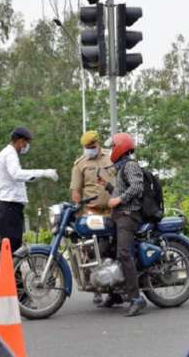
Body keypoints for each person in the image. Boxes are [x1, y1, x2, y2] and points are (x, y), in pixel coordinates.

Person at [0, 127, 58, 308]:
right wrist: (44, 172)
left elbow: (20, 177)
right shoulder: (10, 154)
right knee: (13, 256)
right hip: (9, 209)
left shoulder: (6, 154)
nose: (26, 147)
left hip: (8, 209)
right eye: (25, 143)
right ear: (20, 141)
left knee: (9, 255)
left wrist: (39, 175)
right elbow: (17, 174)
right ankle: (19, 297)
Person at [97, 133, 147, 317]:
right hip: (118, 215)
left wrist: (118, 199)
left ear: (121, 147)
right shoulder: (121, 168)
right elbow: (122, 190)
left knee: (124, 254)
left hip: (128, 215)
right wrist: (107, 186)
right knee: (107, 251)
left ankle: (136, 299)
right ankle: (115, 295)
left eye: (113, 147)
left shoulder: (131, 165)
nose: (111, 151)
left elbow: (137, 187)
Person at [70, 130, 114, 305]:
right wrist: (78, 210)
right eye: (87, 148)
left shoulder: (111, 159)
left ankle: (113, 289)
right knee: (91, 251)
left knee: (111, 249)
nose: (90, 150)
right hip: (92, 213)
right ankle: (96, 288)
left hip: (111, 212)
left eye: (92, 147)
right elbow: (75, 192)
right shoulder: (80, 164)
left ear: (98, 143)